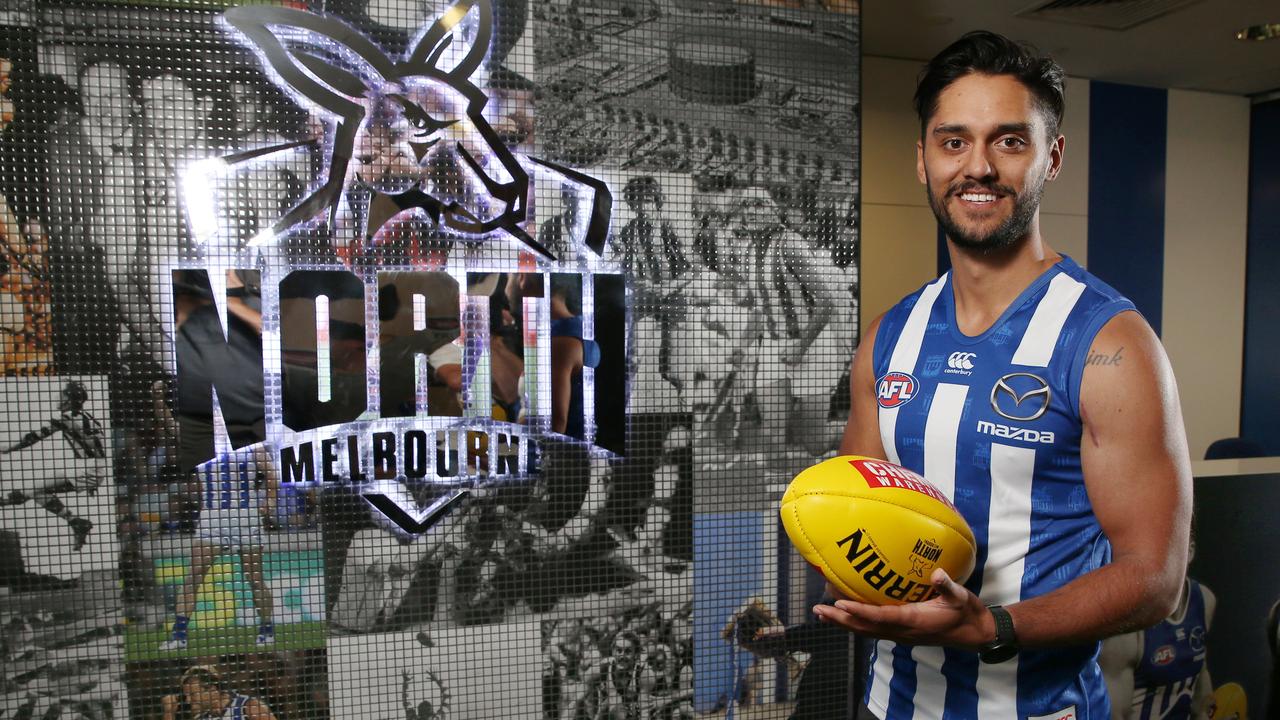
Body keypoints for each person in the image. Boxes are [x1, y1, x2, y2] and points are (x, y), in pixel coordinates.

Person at [819, 31, 1193, 719]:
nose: (979, 167)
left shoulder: (1109, 343)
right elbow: (856, 513)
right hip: (888, 705)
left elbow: (1156, 579)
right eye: (954, 141)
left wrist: (991, 628)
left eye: (1009, 141)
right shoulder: (890, 335)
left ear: (1051, 158)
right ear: (923, 161)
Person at [159, 444, 278, 651]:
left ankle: (267, 631)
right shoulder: (201, 441)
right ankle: (179, 636)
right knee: (193, 576)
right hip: (212, 518)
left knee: (255, 579)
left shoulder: (253, 447)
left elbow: (272, 476)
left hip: (245, 517)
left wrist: (270, 502)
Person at [0, 380, 104, 551]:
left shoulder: (66, 417)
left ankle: (7, 501)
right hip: (91, 467)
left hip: (88, 469)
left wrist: (8, 449)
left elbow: (34, 437)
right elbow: (97, 445)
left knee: (34, 490)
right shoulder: (88, 417)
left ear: (69, 398)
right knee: (37, 489)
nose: (59, 396)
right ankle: (77, 522)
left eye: (63, 393)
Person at [1100, 572, 1215, 719]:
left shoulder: (1204, 600)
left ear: (1190, 553)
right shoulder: (1128, 622)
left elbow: (1200, 671)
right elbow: (1115, 714)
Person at [165, 665, 276, 720]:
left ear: (212, 689)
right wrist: (169, 713)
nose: (188, 700)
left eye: (192, 694)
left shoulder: (249, 707)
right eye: (187, 696)